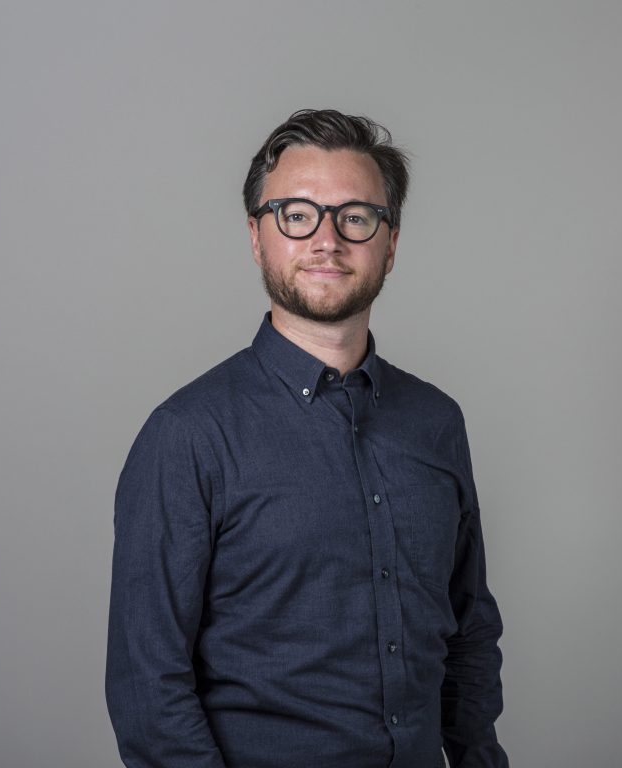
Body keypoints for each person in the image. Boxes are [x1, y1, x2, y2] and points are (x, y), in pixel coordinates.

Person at [106, 109, 508, 768]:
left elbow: (469, 634)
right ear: (257, 237)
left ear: (391, 242)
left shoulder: (436, 423)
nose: (327, 240)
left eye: (355, 216)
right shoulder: (187, 437)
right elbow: (148, 692)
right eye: (297, 214)